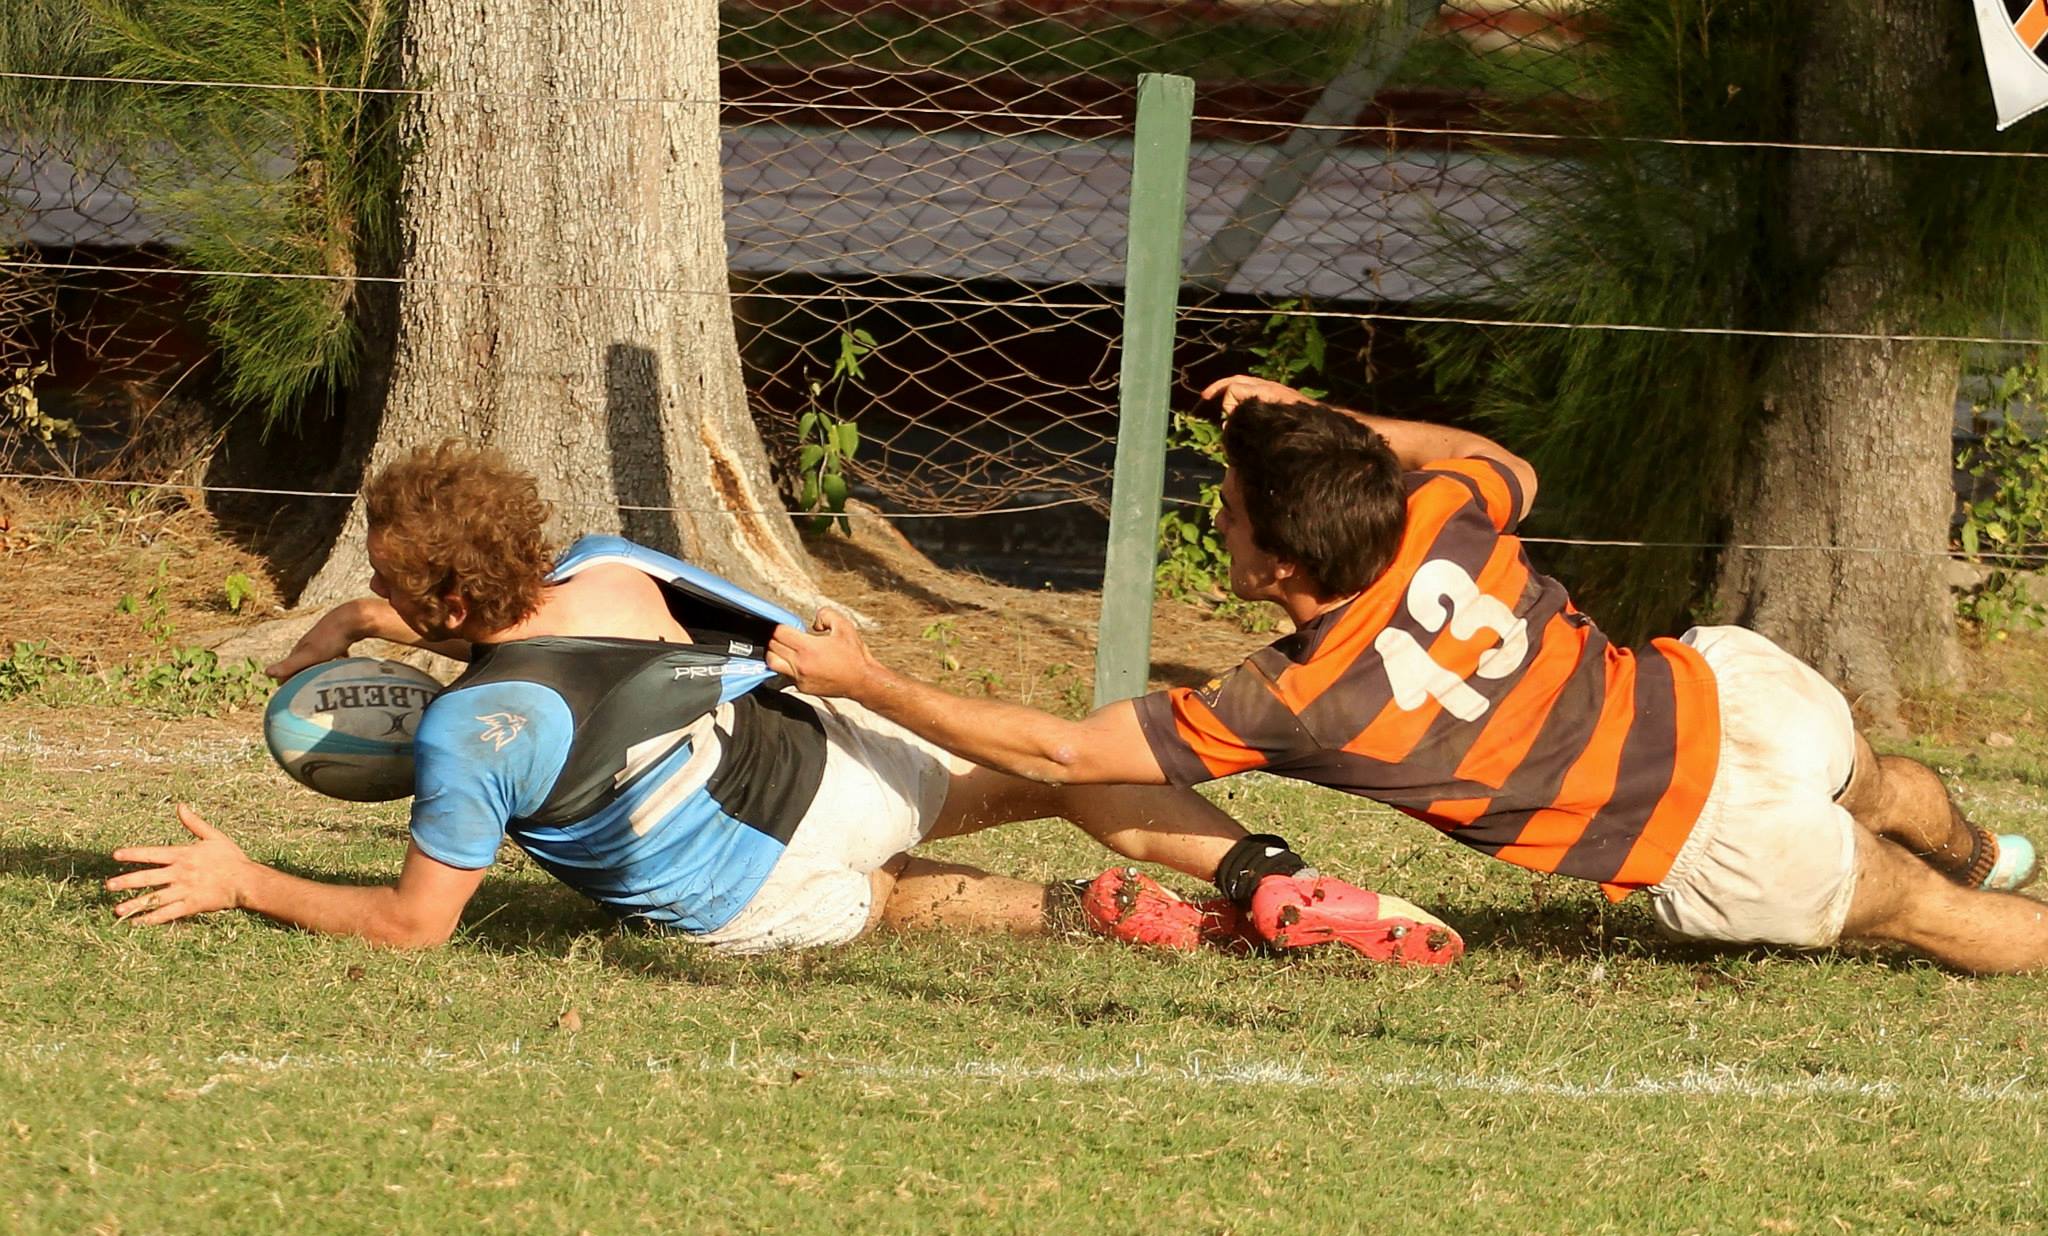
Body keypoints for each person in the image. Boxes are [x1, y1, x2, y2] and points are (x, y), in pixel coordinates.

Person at [767, 374, 2048, 975]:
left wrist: (864, 679)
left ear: (1276, 569)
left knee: (1930, 925)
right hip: (1734, 701)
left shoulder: (1290, 698)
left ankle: (1987, 892)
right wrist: (1327, 432)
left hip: (1706, 835)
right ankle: (1987, 844)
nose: (1218, 520)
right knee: (1878, 781)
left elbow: (1061, 755)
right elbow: (1506, 462)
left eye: (1228, 515)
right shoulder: (1440, 515)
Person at [105, 441, 1462, 963]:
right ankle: (1259, 876)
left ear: (441, 607)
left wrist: (247, 881)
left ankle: (1099, 919)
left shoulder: (472, 734)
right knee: (1050, 773)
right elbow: (778, 638)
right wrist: (369, 620)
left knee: (883, 899)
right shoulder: (611, 567)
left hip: (745, 895)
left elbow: (412, 926)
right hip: (827, 765)